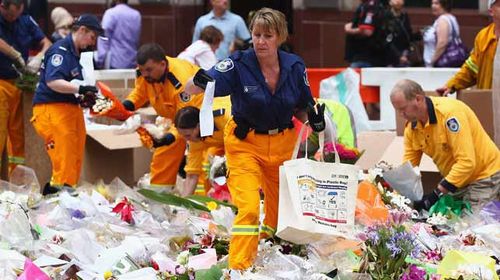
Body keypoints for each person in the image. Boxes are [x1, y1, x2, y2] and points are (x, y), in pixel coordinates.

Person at [184, 8, 325, 271]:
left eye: (267, 35)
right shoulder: (238, 64)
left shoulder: (295, 66)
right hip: (244, 144)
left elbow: (302, 106)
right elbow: (198, 84)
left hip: (282, 143)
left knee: (281, 207)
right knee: (248, 208)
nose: (260, 41)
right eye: (256, 34)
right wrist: (197, 80)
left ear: (280, 37)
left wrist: (313, 120)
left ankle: (272, 243)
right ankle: (239, 269)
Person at [390, 79, 500, 211]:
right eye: (397, 110)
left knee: (472, 226)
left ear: (418, 99)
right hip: (457, 181)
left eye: (403, 109)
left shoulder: (450, 115)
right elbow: (408, 169)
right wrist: (395, 201)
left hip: (483, 176)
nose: (401, 115)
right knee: (445, 224)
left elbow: (467, 162)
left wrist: (436, 194)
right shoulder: (411, 128)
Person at [31, 14, 103, 195]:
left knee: (75, 155)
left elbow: (71, 84)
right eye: (92, 37)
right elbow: (53, 82)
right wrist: (81, 89)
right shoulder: (60, 51)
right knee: (64, 158)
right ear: (82, 30)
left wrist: (83, 97)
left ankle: (67, 194)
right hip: (52, 109)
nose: (93, 43)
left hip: (69, 109)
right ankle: (57, 200)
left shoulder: (75, 53)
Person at [122, 43, 204, 190]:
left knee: (202, 163)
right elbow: (140, 93)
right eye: (142, 70)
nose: (145, 74)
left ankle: (206, 204)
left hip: (198, 118)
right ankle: (159, 200)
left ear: (162, 64)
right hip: (174, 118)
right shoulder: (145, 73)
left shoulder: (182, 81)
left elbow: (185, 118)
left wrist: (170, 137)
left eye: (149, 70)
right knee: (163, 156)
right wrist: (126, 106)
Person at [0, 0, 51, 172]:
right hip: (0, 83)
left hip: (19, 85)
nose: (14, 19)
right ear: (2, 6)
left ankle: (16, 181)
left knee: (18, 136)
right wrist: (14, 54)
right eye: (10, 15)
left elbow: (47, 43)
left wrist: (39, 57)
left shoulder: (25, 20)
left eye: (17, 14)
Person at [437, 0, 500, 95]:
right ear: (491, 11)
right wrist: (451, 84)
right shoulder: (483, 37)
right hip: (488, 100)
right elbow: (471, 69)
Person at [174, 96, 230, 197]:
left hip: (249, 138)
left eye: (188, 135)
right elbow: (191, 175)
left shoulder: (224, 117)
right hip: (223, 144)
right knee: (213, 168)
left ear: (199, 126)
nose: (187, 140)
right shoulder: (194, 140)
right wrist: (183, 204)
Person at [97, 0, 141, 69]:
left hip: (115, 63)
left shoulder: (111, 13)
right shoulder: (136, 15)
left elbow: (104, 38)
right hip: (132, 62)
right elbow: (136, 40)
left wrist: (100, 61)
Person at [344, 0, 385, 67]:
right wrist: (351, 24)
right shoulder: (365, 5)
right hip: (362, 55)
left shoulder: (371, 6)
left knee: (354, 76)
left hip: (365, 56)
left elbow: (367, 31)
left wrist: (350, 30)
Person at [381, 0, 421, 67]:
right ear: (390, 2)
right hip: (390, 57)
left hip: (405, 54)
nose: (398, 1)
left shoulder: (404, 16)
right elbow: (387, 40)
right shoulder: (385, 16)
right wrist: (398, 56)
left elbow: (408, 36)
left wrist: (419, 35)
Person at [422, 0, 461, 67]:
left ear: (444, 5)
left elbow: (442, 43)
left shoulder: (442, 20)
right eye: (432, 3)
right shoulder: (451, 18)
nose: (433, 6)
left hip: (441, 64)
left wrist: (432, 62)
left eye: (437, 3)